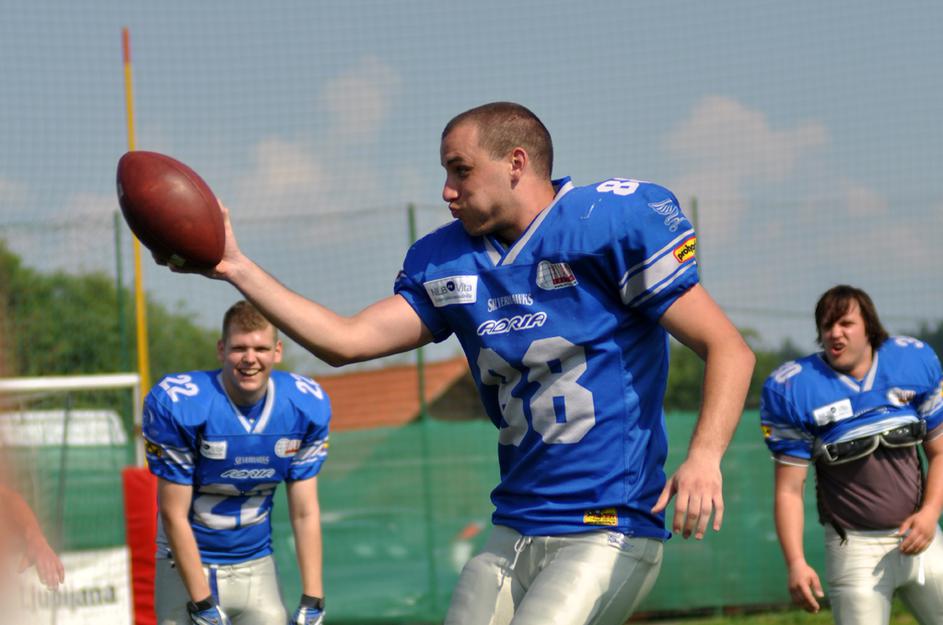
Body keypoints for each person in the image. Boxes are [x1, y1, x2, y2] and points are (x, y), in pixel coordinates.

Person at [168, 101, 755, 625]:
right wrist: (236, 267)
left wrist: (705, 456)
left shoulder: (606, 225)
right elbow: (345, 341)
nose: (447, 191)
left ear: (516, 163)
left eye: (460, 170)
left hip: (607, 525)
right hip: (514, 526)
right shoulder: (448, 260)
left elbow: (729, 348)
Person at [760, 285, 943, 625]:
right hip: (855, 549)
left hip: (922, 536)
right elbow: (789, 490)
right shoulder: (795, 388)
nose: (835, 333)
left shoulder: (911, 362)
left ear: (869, 327)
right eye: (827, 325)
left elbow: (940, 452)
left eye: (845, 323)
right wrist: (795, 562)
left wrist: (931, 513)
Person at [142, 300, 331, 625]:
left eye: (260, 348)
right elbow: (173, 513)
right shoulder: (182, 405)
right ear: (221, 349)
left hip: (256, 567)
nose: (250, 358)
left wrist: (313, 597)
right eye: (239, 347)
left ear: (277, 351)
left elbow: (305, 511)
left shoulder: (302, 406)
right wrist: (202, 603)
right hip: (185, 569)